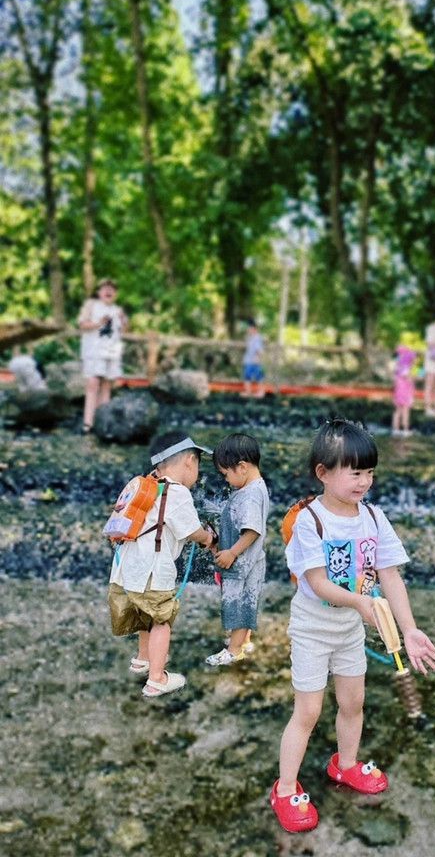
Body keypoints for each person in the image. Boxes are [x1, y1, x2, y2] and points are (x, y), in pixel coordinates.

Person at [270, 418, 435, 834]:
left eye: (369, 472)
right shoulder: (311, 521)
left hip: (351, 627)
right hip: (314, 627)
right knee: (308, 711)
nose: (364, 481)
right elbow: (319, 583)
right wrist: (362, 602)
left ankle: (344, 765)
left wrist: (409, 630)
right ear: (323, 473)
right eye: (354, 471)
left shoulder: (374, 518)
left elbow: (391, 576)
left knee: (353, 702)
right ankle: (285, 787)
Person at [108, 431, 217, 697]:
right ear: (190, 461)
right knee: (161, 619)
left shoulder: (146, 486)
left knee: (144, 613)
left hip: (125, 568)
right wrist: (210, 538)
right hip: (152, 570)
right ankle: (157, 679)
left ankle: (143, 658)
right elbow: (192, 531)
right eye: (198, 465)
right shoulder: (176, 493)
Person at [205, 433, 270, 666]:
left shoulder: (250, 495)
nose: (226, 480)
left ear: (242, 467)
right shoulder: (255, 488)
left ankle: (233, 650)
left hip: (243, 563)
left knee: (238, 604)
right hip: (251, 560)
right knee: (247, 602)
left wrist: (232, 552)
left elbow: (252, 530)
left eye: (226, 474)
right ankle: (243, 641)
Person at [78, 279, 128, 433]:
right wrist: (99, 323)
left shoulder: (117, 309)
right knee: (92, 383)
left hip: (111, 351)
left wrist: (123, 320)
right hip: (93, 350)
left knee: (107, 386)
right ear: (99, 292)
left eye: (112, 289)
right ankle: (87, 423)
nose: (108, 291)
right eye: (105, 288)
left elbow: (124, 330)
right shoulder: (91, 305)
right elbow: (82, 325)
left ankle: (102, 421)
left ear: (116, 293)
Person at [391, 345, 417, 437]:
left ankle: (395, 430)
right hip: (406, 394)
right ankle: (405, 430)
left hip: (398, 393)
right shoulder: (406, 369)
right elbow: (409, 379)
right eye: (413, 359)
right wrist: (415, 377)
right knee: (406, 411)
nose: (414, 361)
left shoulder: (398, 368)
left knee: (397, 411)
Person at [242, 319, 265, 398]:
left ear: (254, 329)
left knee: (258, 377)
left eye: (250, 329)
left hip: (255, 361)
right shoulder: (250, 338)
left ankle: (261, 392)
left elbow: (260, 350)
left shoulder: (257, 338)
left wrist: (258, 358)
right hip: (249, 360)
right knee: (247, 376)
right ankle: (248, 392)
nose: (248, 330)